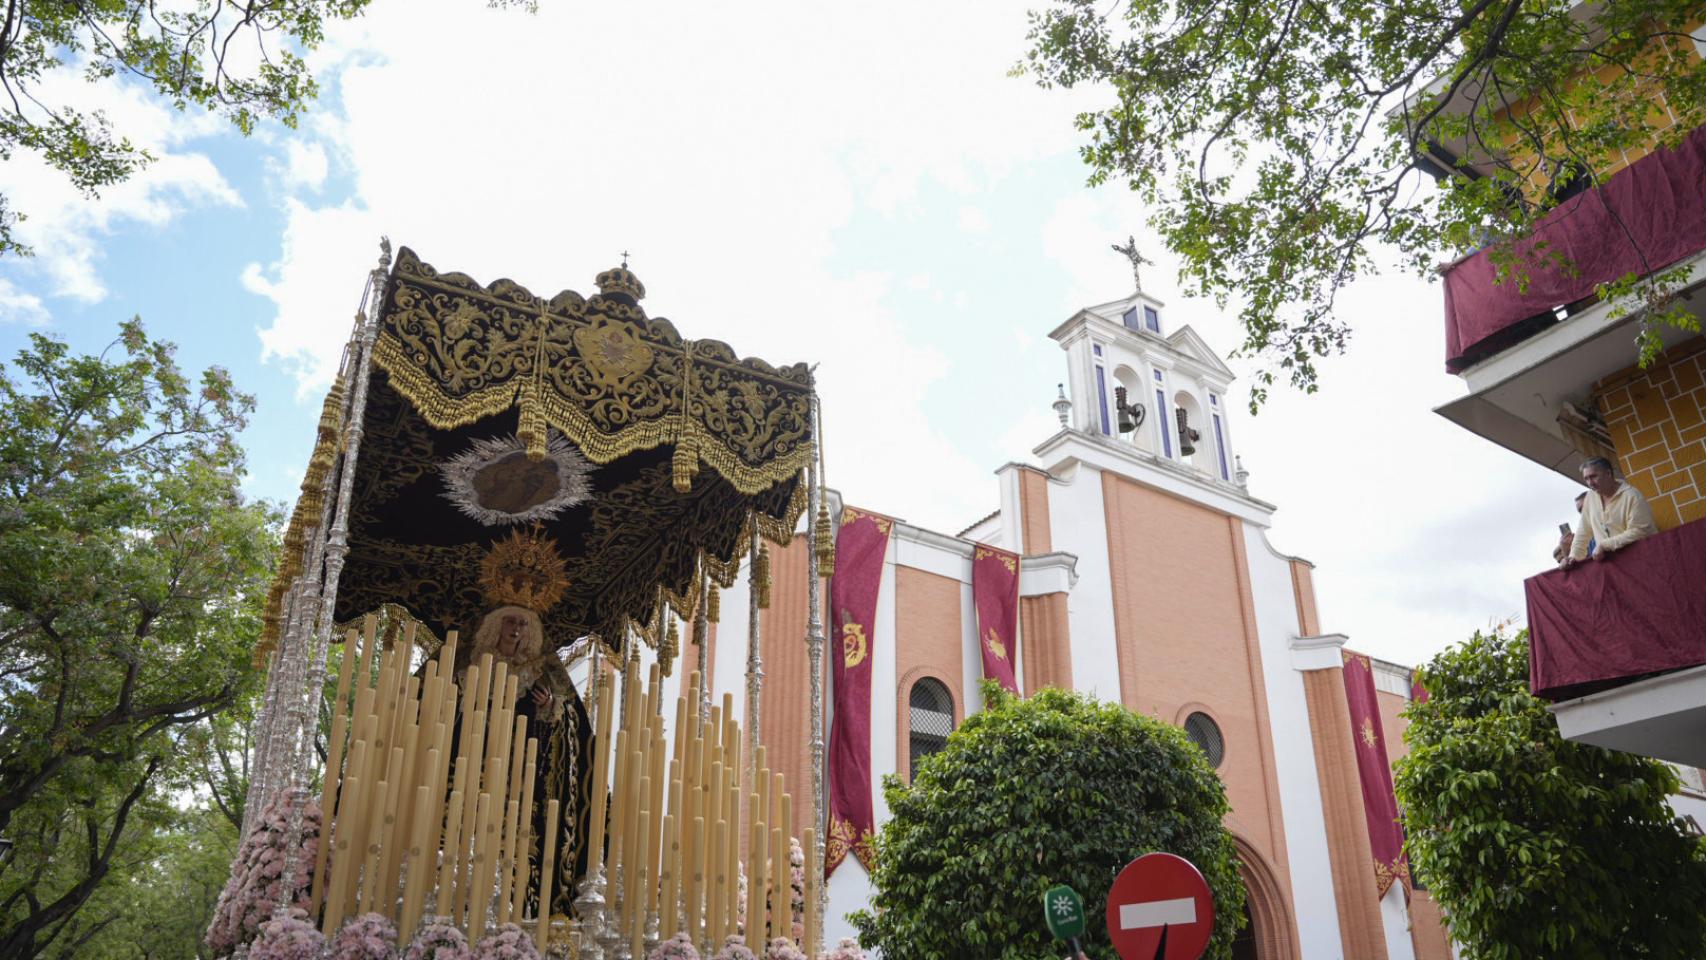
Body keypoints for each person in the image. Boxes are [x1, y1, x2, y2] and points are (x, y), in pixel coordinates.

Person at [459, 527, 594, 919]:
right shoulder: (467, 666)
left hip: (521, 777)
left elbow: (575, 726)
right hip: (474, 768)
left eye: (523, 625)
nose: (516, 631)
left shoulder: (542, 670)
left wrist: (551, 707)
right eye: (510, 622)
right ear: (495, 624)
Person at [1560, 457, 1659, 568]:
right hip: (1613, 568)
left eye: (1593, 476)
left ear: (1608, 473)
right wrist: (1572, 558)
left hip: (1644, 561)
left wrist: (1604, 545)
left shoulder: (1632, 496)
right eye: (1586, 479)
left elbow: (1640, 531)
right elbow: (1583, 533)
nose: (1590, 483)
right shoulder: (1590, 497)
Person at [1552, 492, 1590, 563]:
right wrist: (1567, 553)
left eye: (1586, 507)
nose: (1583, 514)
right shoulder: (1587, 535)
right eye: (1580, 511)